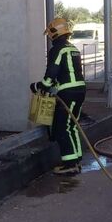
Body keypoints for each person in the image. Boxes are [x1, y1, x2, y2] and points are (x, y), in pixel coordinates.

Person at [31, 17, 87, 175]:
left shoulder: (57, 49)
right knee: (72, 126)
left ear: (54, 33)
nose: (49, 37)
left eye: (49, 34)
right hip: (79, 90)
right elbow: (67, 73)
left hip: (67, 93)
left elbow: (52, 73)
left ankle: (69, 165)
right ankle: (76, 160)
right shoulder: (72, 48)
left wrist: (39, 86)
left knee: (62, 128)